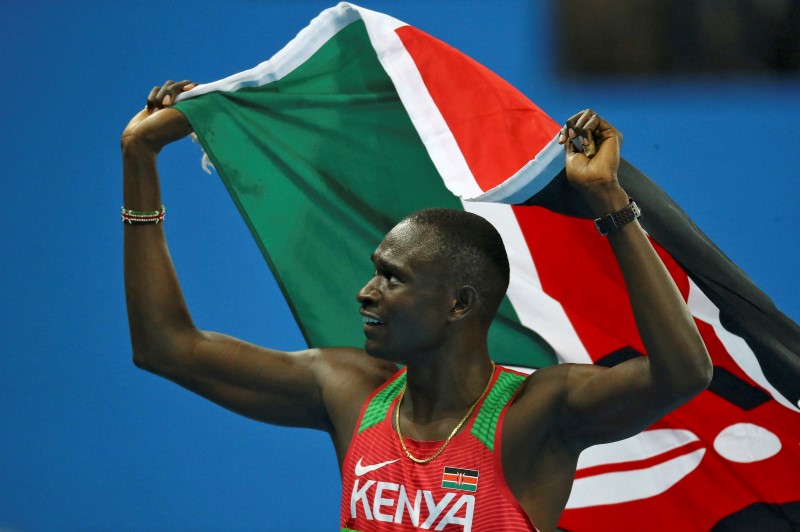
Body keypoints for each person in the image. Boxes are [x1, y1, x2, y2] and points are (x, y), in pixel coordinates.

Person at [121, 80, 713, 531]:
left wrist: (608, 200)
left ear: (459, 304)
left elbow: (684, 372)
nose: (365, 291)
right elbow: (166, 348)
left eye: (392, 278)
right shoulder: (347, 391)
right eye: (374, 272)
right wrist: (139, 159)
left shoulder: (540, 413)